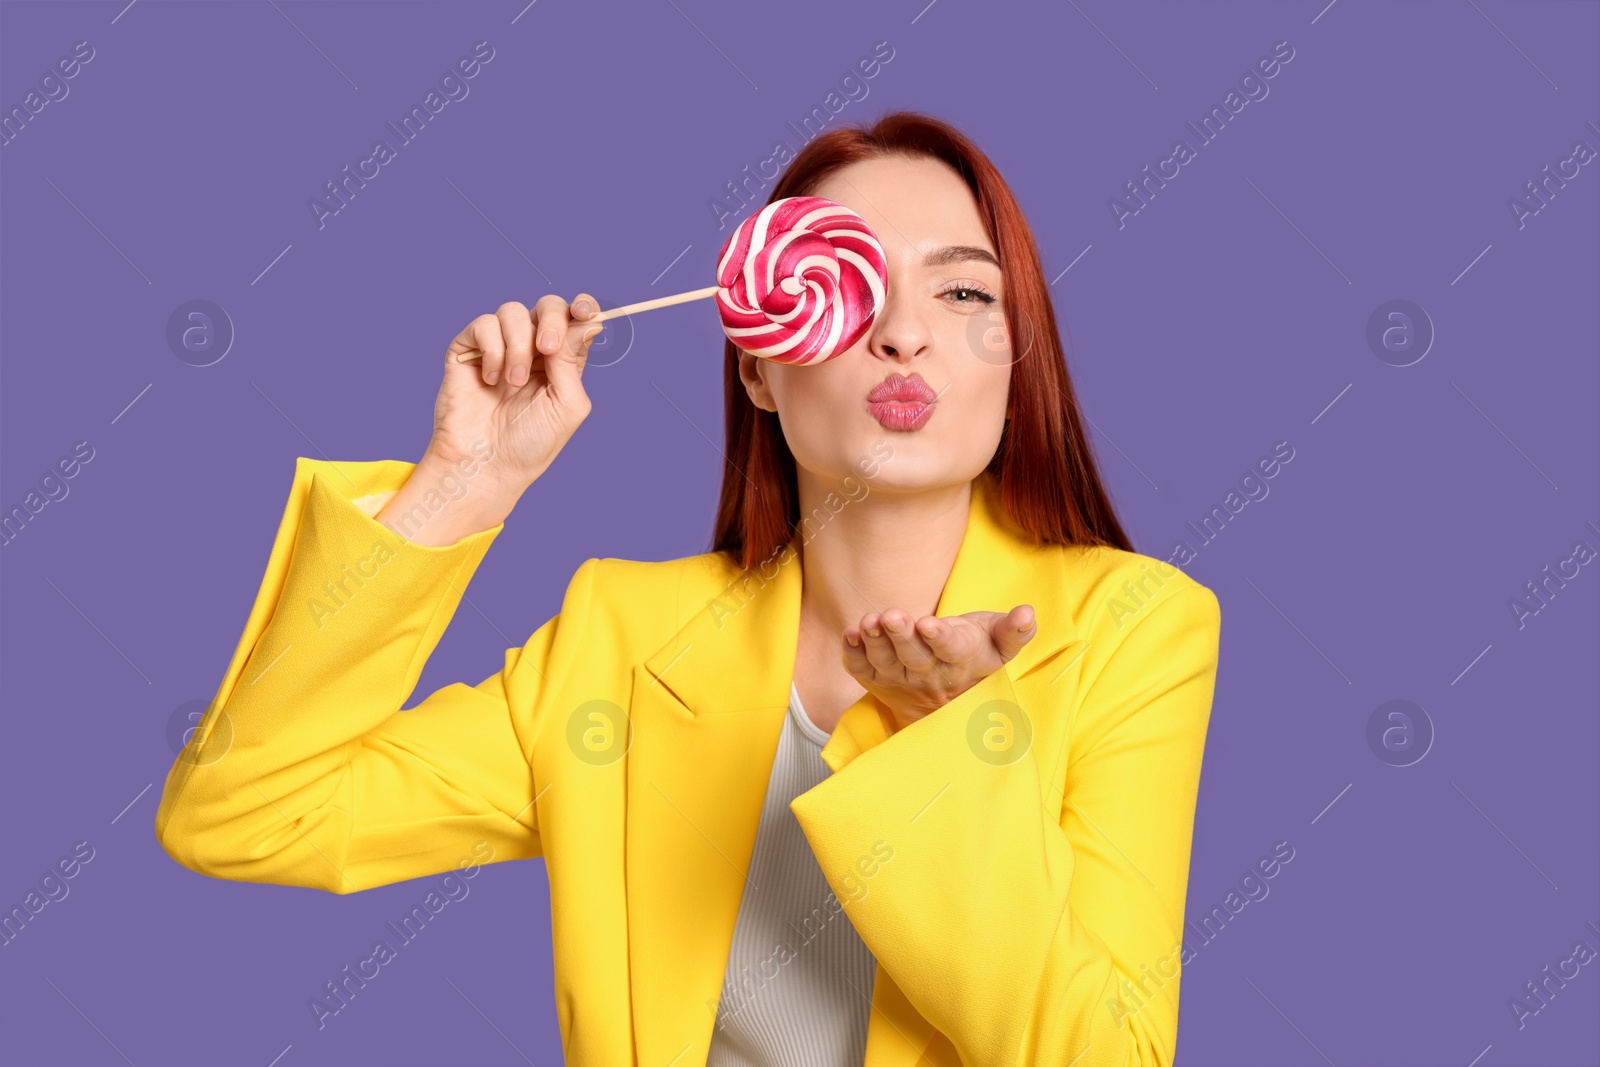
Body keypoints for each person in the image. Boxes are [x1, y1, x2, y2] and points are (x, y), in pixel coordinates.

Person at [155, 111, 1221, 1067]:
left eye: (961, 290)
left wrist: (944, 741)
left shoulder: (1132, 629)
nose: (904, 334)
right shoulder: (622, 641)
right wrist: (458, 487)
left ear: (1015, 355)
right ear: (760, 362)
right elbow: (244, 812)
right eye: (849, 289)